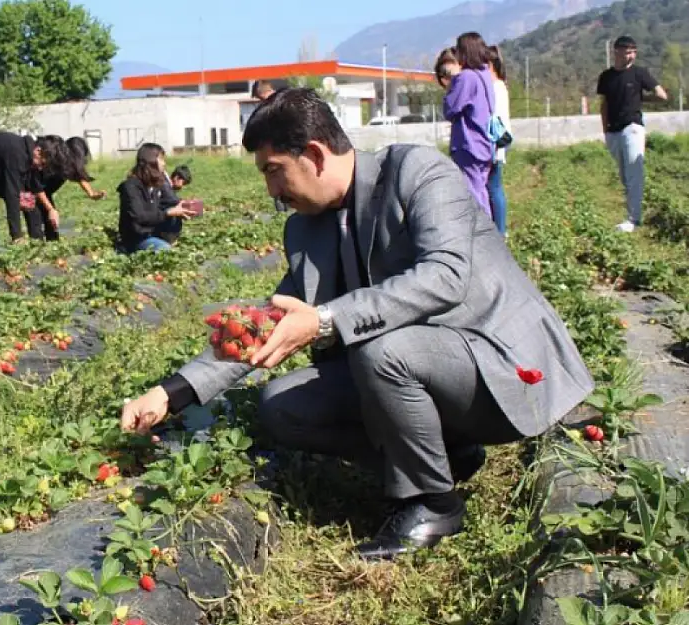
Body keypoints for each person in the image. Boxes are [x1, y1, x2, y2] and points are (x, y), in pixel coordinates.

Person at [119, 88, 594, 561]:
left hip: (498, 367)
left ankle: (433, 503)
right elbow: (269, 322)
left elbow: (445, 276)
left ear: (314, 154)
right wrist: (171, 392)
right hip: (418, 370)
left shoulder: (419, 173)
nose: (271, 191)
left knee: (380, 351)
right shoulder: (308, 226)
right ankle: (443, 458)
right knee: (282, 406)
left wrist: (326, 320)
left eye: (273, 171)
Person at [597, 35, 668, 233]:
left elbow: (662, 95)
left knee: (634, 173)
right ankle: (632, 215)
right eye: (628, 51)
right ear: (616, 51)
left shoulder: (640, 73)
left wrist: (640, 99)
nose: (631, 55)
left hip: (633, 127)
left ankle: (633, 219)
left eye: (634, 51)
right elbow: (604, 105)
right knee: (624, 175)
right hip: (613, 131)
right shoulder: (606, 77)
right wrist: (605, 132)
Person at [443, 32, 495, 217]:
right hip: (485, 143)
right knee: (480, 190)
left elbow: (450, 108)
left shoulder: (466, 78)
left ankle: (481, 236)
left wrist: (453, 81)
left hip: (469, 144)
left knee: (472, 194)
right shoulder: (485, 74)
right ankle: (488, 234)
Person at [117, 143, 198, 253]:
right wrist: (168, 213)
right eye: (161, 159)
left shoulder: (153, 186)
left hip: (151, 232)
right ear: (150, 161)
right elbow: (140, 217)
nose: (164, 163)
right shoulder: (131, 186)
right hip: (136, 237)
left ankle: (164, 240)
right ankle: (125, 249)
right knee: (165, 251)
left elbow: (164, 205)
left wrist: (181, 208)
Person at [28, 136, 108, 242]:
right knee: (36, 228)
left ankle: (53, 248)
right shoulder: (54, 160)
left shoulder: (70, 163)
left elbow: (79, 176)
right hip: (31, 193)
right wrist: (50, 209)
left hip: (45, 194)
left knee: (52, 227)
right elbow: (36, 187)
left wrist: (91, 193)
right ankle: (35, 248)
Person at [252, 82, 290, 214]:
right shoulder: (272, 108)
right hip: (275, 157)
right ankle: (283, 217)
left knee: (286, 186)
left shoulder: (282, 107)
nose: (261, 102)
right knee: (278, 188)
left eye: (261, 98)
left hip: (285, 155)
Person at [487, 45, 511, 236]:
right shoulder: (500, 85)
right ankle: (499, 229)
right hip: (497, 141)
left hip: (495, 141)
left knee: (494, 187)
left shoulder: (496, 87)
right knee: (494, 187)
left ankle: (500, 231)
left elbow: (496, 118)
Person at [157, 165, 195, 245]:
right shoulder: (164, 184)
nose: (182, 187)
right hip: (163, 228)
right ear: (177, 177)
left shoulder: (167, 184)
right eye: (183, 183)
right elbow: (172, 200)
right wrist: (188, 204)